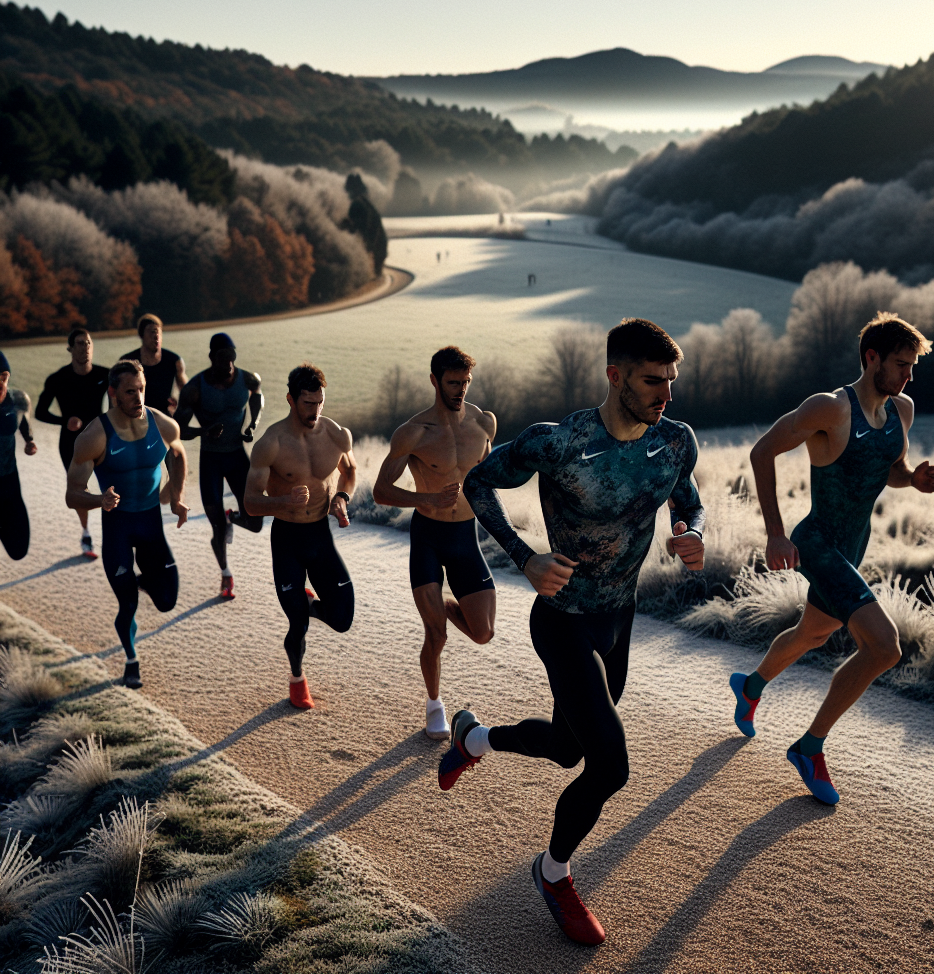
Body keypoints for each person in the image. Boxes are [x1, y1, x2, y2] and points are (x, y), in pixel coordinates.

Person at [447, 318, 706, 946]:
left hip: (620, 618)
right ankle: (553, 872)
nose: (664, 394)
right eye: (651, 381)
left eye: (670, 381)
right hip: (562, 621)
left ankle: (473, 737)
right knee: (610, 765)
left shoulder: (674, 441)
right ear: (615, 376)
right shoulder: (557, 443)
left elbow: (687, 497)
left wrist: (691, 530)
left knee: (569, 748)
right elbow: (477, 483)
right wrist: (524, 557)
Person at [732, 312, 934, 805]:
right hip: (818, 542)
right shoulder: (828, 408)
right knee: (885, 647)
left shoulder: (901, 410)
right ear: (871, 358)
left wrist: (912, 479)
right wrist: (777, 535)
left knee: (814, 632)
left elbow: (888, 469)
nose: (908, 376)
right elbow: (763, 453)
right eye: (900, 365)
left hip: (853, 544)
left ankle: (751, 685)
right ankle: (811, 747)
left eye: (912, 367)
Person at [372, 346, 497, 740]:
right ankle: (434, 707)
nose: (460, 390)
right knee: (437, 635)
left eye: (465, 382)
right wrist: (427, 498)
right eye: (452, 382)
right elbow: (380, 490)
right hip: (428, 537)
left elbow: (484, 478)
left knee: (483, 633)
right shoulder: (413, 432)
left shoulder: (483, 423)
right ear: (434, 381)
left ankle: (443, 604)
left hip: (466, 537)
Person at [66, 359, 189, 689]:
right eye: (130, 392)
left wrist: (176, 497)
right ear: (113, 394)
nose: (138, 397)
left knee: (167, 600)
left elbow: (177, 455)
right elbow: (72, 494)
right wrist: (98, 501)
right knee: (127, 604)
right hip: (118, 527)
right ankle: (132, 659)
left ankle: (141, 580)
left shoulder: (162, 424)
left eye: (142, 390)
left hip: (150, 523)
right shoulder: (94, 436)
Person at [243, 363, 357, 709]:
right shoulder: (271, 444)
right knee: (297, 622)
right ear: (291, 399)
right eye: (308, 403)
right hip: (288, 538)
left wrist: (341, 497)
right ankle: (297, 679)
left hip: (320, 536)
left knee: (342, 618)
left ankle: (310, 604)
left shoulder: (337, 435)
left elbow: (349, 471)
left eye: (320, 402)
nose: (315, 411)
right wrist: (282, 501)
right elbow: (250, 504)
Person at [174, 333, 263, 599]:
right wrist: (203, 432)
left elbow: (257, 396)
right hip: (211, 460)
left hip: (237, 456)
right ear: (212, 357)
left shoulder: (248, 379)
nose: (228, 364)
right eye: (222, 358)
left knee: (256, 522)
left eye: (232, 357)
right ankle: (226, 574)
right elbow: (177, 429)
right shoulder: (195, 388)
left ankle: (232, 516)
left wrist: (253, 424)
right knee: (217, 529)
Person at [35, 328, 109, 557]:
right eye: (79, 343)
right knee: (79, 491)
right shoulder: (58, 379)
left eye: (88, 343)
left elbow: (128, 395)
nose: (85, 347)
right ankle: (86, 533)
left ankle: (116, 532)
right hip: (71, 443)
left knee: (113, 485)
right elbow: (39, 412)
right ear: (70, 348)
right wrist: (65, 420)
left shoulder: (105, 374)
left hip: (100, 439)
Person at [0, 351, 37, 560]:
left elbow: (23, 420)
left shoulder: (18, 400)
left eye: (3, 377)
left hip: (9, 482)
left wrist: (29, 440)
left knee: (18, 550)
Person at [122, 314, 187, 415]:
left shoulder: (174, 361)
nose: (156, 336)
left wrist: (179, 407)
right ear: (141, 335)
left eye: (158, 332)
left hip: (164, 415)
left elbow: (187, 393)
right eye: (152, 332)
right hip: (137, 415)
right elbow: (117, 395)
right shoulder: (127, 362)